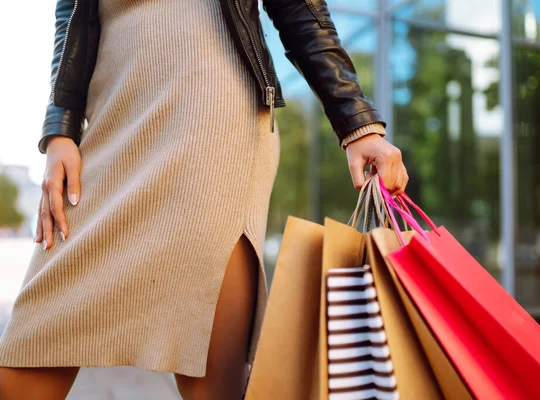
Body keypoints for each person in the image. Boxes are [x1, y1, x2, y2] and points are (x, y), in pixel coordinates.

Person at [0, 0, 409, 398]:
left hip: (211, 112)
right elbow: (70, 12)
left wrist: (358, 124)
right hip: (112, 118)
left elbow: (300, 10)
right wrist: (60, 128)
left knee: (211, 374)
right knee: (33, 342)